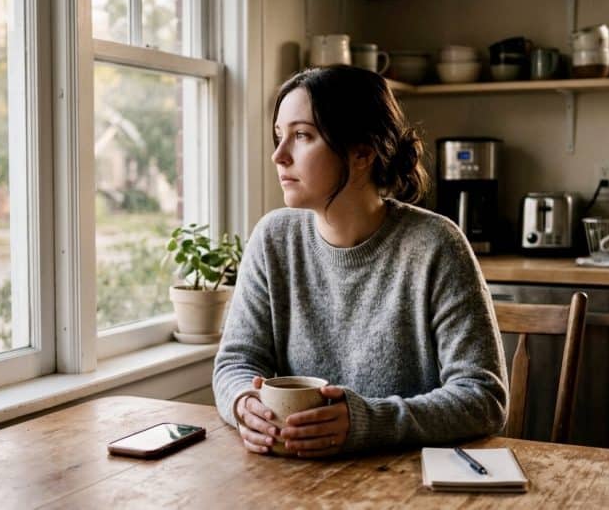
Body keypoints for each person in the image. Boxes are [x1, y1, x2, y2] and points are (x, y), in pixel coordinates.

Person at [212, 65, 508, 458]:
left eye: (302, 136)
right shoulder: (273, 238)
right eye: (280, 136)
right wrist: (242, 404)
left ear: (362, 152)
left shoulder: (437, 246)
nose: (278, 156)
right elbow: (236, 361)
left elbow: (483, 398)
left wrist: (369, 421)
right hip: (296, 483)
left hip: (409, 486)